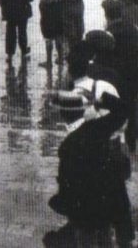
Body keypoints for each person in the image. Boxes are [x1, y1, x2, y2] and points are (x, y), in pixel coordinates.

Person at [48, 89, 132, 248]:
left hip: (84, 209)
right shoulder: (98, 128)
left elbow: (66, 183)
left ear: (63, 115)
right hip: (105, 201)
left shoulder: (68, 145)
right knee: (105, 240)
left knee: (87, 241)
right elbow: (123, 109)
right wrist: (102, 100)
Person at [104, 0, 138, 152]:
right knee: (131, 107)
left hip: (115, 78)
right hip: (133, 75)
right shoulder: (132, 29)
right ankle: (132, 142)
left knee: (114, 109)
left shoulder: (109, 33)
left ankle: (115, 144)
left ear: (107, 15)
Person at [39, 0, 65, 68]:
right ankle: (61, 58)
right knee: (59, 35)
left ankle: (49, 61)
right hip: (58, 12)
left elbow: (43, 1)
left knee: (49, 37)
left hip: (49, 14)